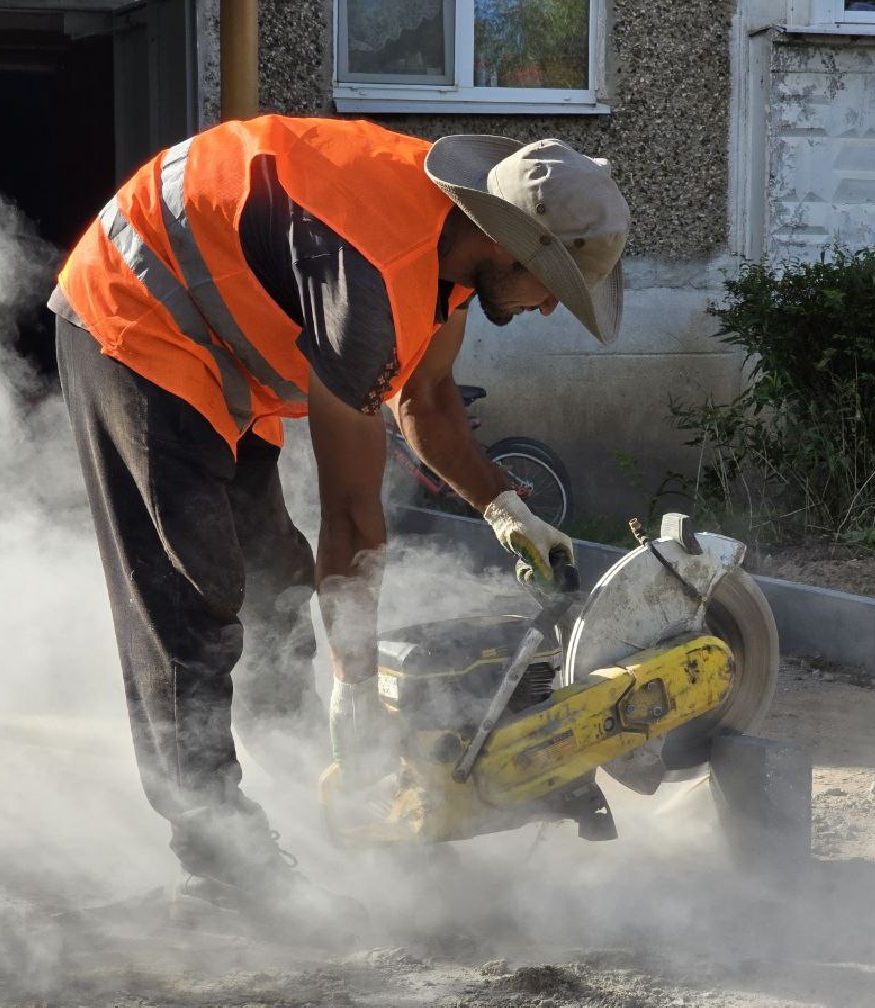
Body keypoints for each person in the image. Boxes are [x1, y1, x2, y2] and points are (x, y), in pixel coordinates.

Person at [50, 115, 629, 928]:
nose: (545, 312)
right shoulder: (375, 279)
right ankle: (221, 867)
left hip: (219, 352)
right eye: (550, 290)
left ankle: (300, 793)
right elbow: (353, 522)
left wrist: (502, 505)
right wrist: (357, 685)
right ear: (509, 249)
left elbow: (424, 399)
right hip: (134, 317)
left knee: (276, 590)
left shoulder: (451, 251)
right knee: (193, 604)